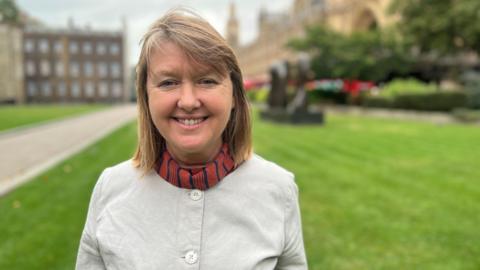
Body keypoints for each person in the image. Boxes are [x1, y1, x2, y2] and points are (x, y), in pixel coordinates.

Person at [75, 9, 307, 270]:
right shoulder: (111, 189)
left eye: (207, 80)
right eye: (168, 83)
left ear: (234, 95)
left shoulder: (277, 189)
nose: (187, 102)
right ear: (146, 97)